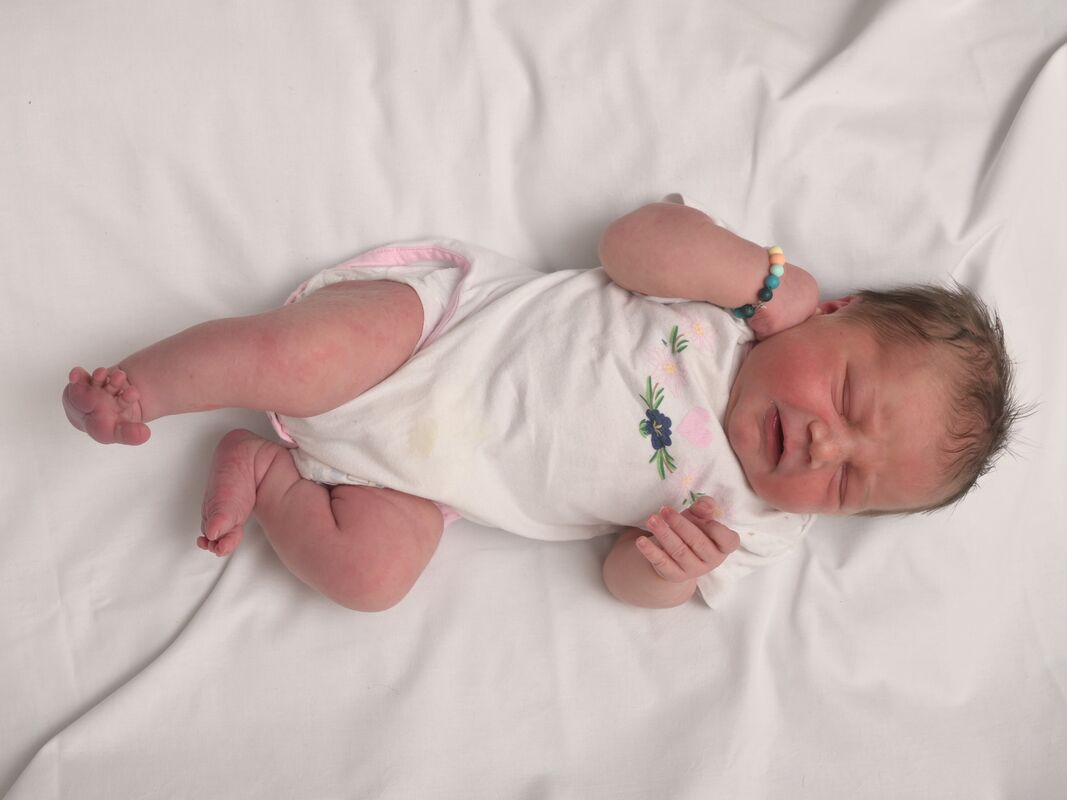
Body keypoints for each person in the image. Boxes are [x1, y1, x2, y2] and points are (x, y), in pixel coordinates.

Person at [61, 198, 1021, 611]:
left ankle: (267, 472)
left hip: (415, 478)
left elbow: (621, 583)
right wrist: (767, 280)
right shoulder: (734, 310)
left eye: (848, 484)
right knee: (293, 360)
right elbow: (631, 243)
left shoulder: (755, 526)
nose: (821, 446)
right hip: (438, 330)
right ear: (834, 313)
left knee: (372, 578)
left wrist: (667, 571)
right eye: (846, 396)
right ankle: (144, 388)